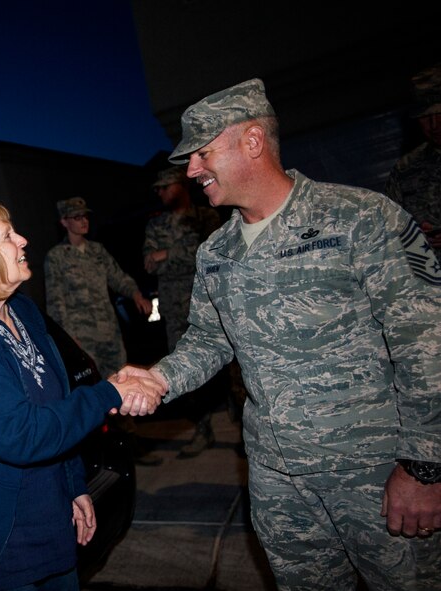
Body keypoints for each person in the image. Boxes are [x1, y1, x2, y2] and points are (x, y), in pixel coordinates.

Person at [119, 78, 441, 590]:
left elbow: (427, 346)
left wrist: (425, 468)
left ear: (252, 142)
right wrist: (155, 380)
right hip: (277, 482)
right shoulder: (216, 252)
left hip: (375, 474)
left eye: (202, 154)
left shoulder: (360, 219)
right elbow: (208, 341)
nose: (192, 170)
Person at [0, 201, 161, 591]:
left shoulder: (23, 312)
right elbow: (20, 434)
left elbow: (54, 405)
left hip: (48, 520)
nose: (23, 239)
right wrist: (109, 392)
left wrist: (74, 484)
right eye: (7, 235)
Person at [43, 197, 161, 466]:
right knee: (94, 394)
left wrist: (135, 293)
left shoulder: (97, 251)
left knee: (124, 387)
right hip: (82, 340)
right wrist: (67, 339)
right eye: (76, 217)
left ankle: (131, 447)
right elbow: (55, 301)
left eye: (85, 216)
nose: (83, 221)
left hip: (109, 334)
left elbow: (117, 277)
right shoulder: (56, 258)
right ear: (64, 222)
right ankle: (100, 452)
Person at [144, 165, 224, 458]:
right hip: (175, 311)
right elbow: (149, 263)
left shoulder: (206, 217)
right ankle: (203, 430)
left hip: (210, 303)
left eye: (165, 187)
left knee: (230, 369)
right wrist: (182, 256)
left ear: (181, 186)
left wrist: (168, 255)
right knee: (185, 371)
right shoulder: (155, 225)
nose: (160, 193)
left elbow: (212, 256)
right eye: (157, 190)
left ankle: (243, 427)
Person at [385, 62, 441, 260]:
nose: (434, 124)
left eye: (439, 114)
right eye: (425, 117)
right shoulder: (406, 170)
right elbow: (390, 228)